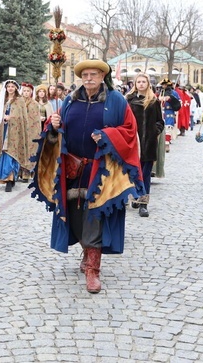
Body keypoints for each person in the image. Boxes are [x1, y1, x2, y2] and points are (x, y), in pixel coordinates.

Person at [31, 59, 144, 293]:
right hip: (73, 168)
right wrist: (52, 126)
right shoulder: (71, 100)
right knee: (75, 214)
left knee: (95, 214)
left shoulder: (116, 100)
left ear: (103, 76)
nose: (89, 78)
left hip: (102, 169)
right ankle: (86, 252)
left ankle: (93, 269)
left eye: (94, 74)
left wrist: (107, 135)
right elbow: (57, 130)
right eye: (85, 75)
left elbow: (130, 132)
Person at [125, 72, 164, 217]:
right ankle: (135, 196)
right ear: (135, 84)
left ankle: (143, 203)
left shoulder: (153, 101)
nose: (141, 84)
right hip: (133, 143)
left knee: (145, 174)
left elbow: (160, 121)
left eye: (144, 82)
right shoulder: (128, 100)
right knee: (133, 173)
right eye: (138, 82)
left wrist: (155, 131)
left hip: (149, 143)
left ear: (148, 84)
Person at [0, 80, 30, 192]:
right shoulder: (2, 100)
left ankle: (10, 179)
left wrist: (11, 117)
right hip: (3, 131)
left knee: (12, 154)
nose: (10, 88)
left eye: (12, 86)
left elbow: (23, 117)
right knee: (3, 154)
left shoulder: (20, 101)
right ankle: (6, 178)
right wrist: (2, 117)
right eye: (8, 86)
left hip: (14, 132)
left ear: (15, 88)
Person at [18, 82, 42, 181]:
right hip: (21, 131)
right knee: (21, 151)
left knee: (30, 152)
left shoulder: (35, 104)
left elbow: (36, 119)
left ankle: (27, 173)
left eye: (28, 91)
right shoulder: (18, 102)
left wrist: (37, 133)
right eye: (24, 91)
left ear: (31, 92)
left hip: (32, 132)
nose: (26, 93)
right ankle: (19, 172)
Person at [158, 79, 181, 153]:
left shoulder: (174, 93)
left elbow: (179, 103)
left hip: (169, 111)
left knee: (168, 127)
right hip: (161, 111)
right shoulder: (161, 92)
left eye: (165, 84)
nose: (163, 86)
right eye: (163, 84)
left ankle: (167, 143)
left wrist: (171, 99)